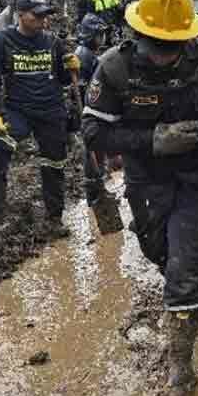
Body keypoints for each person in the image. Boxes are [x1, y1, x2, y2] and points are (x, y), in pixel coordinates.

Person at [81, 0, 198, 396]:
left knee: (182, 267)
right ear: (137, 33)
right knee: (158, 252)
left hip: (197, 178)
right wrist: (153, 139)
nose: (166, 54)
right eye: (156, 43)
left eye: (174, 45)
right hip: (146, 180)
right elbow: (92, 131)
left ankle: (181, 368)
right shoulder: (114, 68)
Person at [0, 0, 78, 237]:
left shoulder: (54, 42)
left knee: (54, 164)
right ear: (20, 15)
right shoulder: (1, 41)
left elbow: (65, 80)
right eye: (37, 15)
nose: (43, 20)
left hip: (51, 111)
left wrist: (73, 69)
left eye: (45, 15)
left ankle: (54, 218)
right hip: (18, 111)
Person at [75, 13, 124, 234]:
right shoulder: (85, 56)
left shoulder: (90, 55)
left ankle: (97, 184)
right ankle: (94, 192)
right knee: (92, 152)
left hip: (90, 110)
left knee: (94, 151)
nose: (103, 38)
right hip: (89, 112)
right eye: (100, 34)